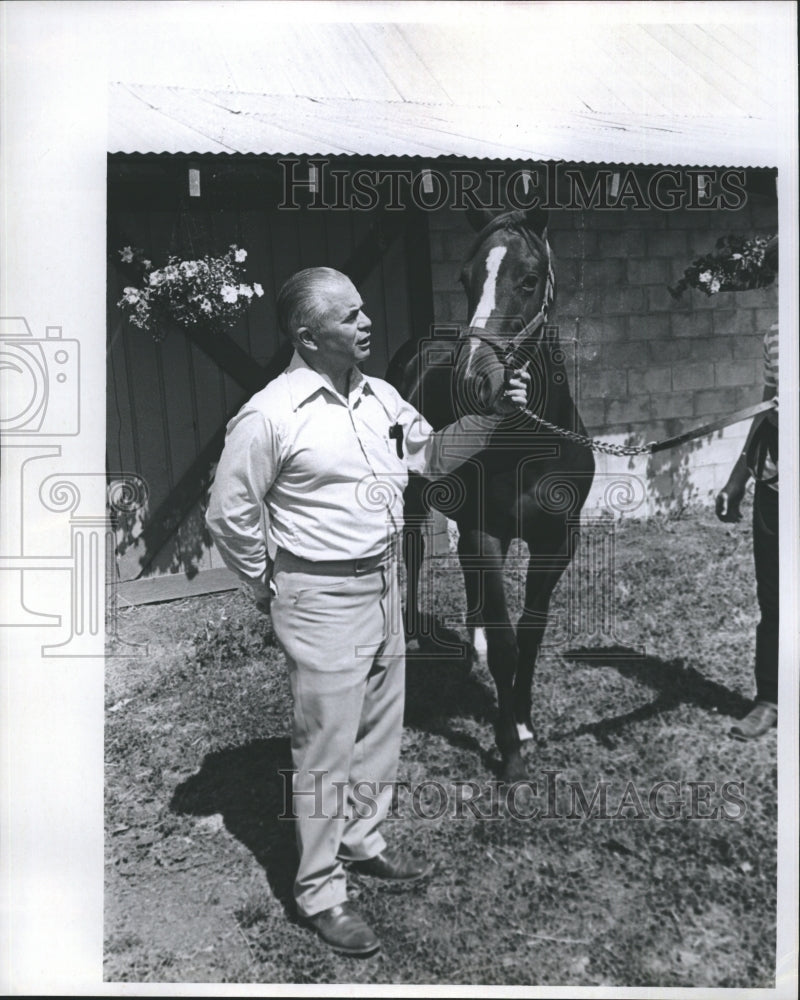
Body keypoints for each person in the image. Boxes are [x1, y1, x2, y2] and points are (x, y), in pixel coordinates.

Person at [205, 266, 531, 957]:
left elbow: (434, 458)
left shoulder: (380, 398)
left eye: (363, 310)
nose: (367, 323)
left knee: (381, 727)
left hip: (386, 584)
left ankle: (361, 839)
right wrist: (271, 585)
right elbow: (229, 514)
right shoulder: (272, 415)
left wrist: (495, 415)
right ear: (307, 334)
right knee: (325, 746)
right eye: (349, 316)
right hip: (319, 594)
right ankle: (319, 890)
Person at [715, 321, 779, 740]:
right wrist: (739, 477)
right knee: (774, 598)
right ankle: (771, 699)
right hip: (778, 487)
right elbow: (767, 406)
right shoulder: (776, 332)